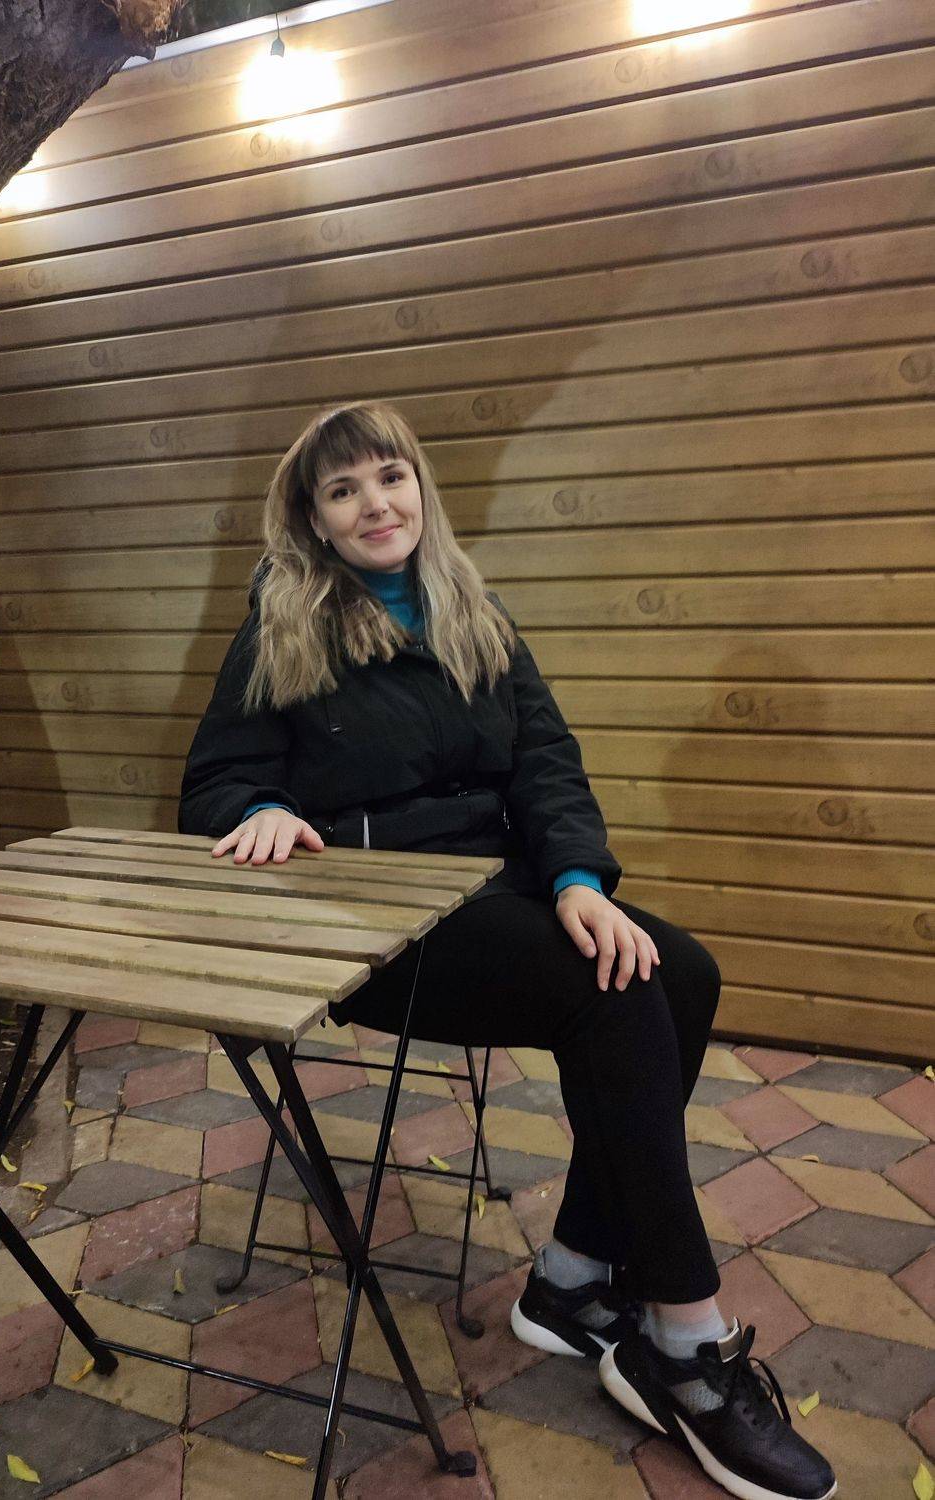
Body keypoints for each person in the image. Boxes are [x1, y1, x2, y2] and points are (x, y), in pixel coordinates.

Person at [177, 401, 835, 1500]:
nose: (374, 503)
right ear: (315, 520)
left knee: (682, 972)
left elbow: (548, 766)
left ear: (419, 488)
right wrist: (261, 809)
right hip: (375, 915)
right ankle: (685, 1349)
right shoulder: (282, 626)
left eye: (390, 477)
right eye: (343, 490)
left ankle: (570, 1281)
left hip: (500, 886)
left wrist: (576, 878)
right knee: (613, 994)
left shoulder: (473, 611)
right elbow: (213, 781)